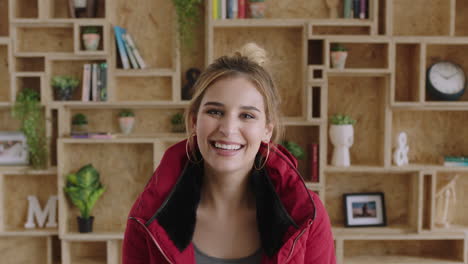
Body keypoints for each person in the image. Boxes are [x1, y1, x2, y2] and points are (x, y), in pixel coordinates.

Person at [122, 43, 336, 264]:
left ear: (267, 130)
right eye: (215, 112)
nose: (228, 128)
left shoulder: (308, 216)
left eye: (247, 115)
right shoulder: (147, 215)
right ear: (194, 121)